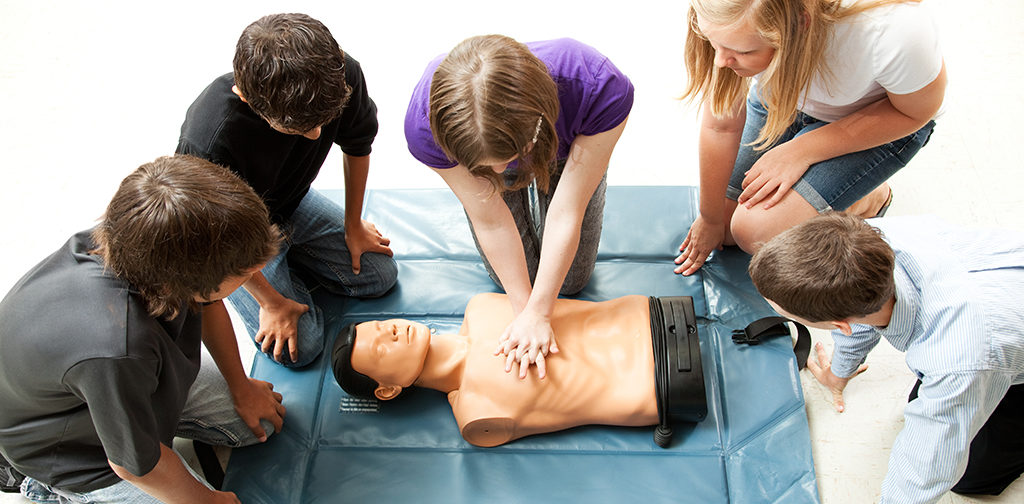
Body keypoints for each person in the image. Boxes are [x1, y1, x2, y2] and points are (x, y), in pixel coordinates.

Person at [0, 155, 287, 503]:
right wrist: (207, 500)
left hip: (131, 381)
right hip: (76, 449)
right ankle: (46, 488)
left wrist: (240, 387)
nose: (253, 275)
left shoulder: (145, 243)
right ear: (186, 282)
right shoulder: (117, 346)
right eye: (242, 275)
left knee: (263, 421)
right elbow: (134, 465)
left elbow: (208, 304)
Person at [748, 212, 1024, 503]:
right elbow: (861, 316)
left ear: (839, 325)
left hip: (993, 338)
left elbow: (924, 469)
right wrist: (838, 373)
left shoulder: (958, 358)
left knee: (972, 478)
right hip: (1000, 299)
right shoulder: (867, 239)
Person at [404, 35, 633, 378]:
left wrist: (541, 313)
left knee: (570, 282)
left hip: (566, 149)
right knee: (511, 280)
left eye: (507, 160)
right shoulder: (424, 127)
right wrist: (524, 315)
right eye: (488, 165)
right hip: (482, 149)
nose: (499, 172)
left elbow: (567, 208)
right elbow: (491, 219)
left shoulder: (599, 87)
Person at [177, 13, 398, 368]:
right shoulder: (209, 140)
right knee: (301, 348)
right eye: (299, 127)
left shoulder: (340, 75)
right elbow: (213, 245)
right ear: (246, 98)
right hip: (240, 238)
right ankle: (283, 272)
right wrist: (269, 301)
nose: (315, 136)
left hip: (292, 204)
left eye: (321, 123)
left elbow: (358, 146)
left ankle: (293, 259)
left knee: (380, 275)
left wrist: (353, 223)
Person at [674, 0, 946, 276]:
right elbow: (721, 126)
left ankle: (870, 198)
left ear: (799, 24)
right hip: (784, 100)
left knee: (752, 232)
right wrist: (709, 219)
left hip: (879, 120)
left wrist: (801, 151)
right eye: (713, 43)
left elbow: (916, 113)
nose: (720, 61)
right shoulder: (724, 17)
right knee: (725, 225)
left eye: (743, 51)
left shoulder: (890, 31)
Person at [333, 293, 662, 447]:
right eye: (380, 349)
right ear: (388, 389)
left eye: (381, 324)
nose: (391, 331)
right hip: (656, 386)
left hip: (647, 315)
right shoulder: (476, 415)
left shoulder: (481, 307)